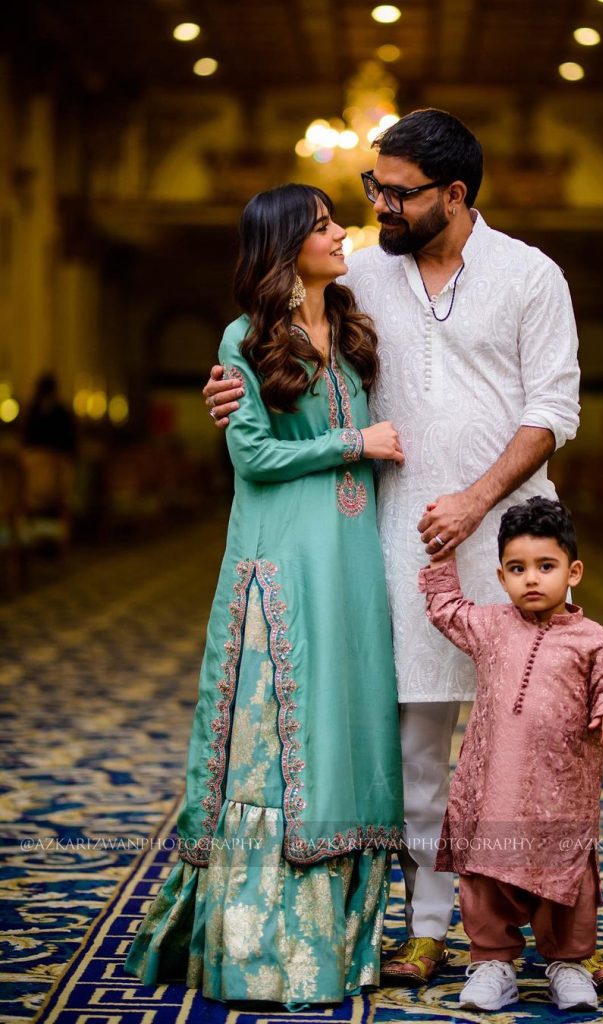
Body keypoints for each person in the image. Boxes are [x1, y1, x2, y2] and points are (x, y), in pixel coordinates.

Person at [204, 108, 603, 991]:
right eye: (372, 189)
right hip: (395, 542)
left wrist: (478, 501)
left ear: (454, 194)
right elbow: (292, 346)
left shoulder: (529, 274)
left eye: (395, 194)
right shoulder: (361, 273)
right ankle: (432, 929)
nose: (377, 207)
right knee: (418, 746)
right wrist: (233, 385)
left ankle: (559, 932)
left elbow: (555, 408)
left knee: (541, 744)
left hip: (513, 546)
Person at [126, 184, 404, 1006]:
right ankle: (264, 946)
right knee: (286, 731)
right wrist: (356, 441)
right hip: (281, 557)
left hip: (353, 555)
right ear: (284, 244)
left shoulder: (351, 325)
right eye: (322, 224)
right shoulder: (245, 338)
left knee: (347, 722)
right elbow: (251, 457)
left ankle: (347, 942)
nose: (339, 231)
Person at [419, 498, 603, 1012]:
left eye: (546, 566)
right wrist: (442, 556)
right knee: (485, 876)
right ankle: (493, 963)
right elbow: (445, 609)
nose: (531, 579)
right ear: (500, 575)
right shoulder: (490, 625)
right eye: (517, 569)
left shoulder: (591, 639)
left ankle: (568, 964)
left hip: (562, 794)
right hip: (494, 789)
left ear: (573, 571)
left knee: (566, 879)